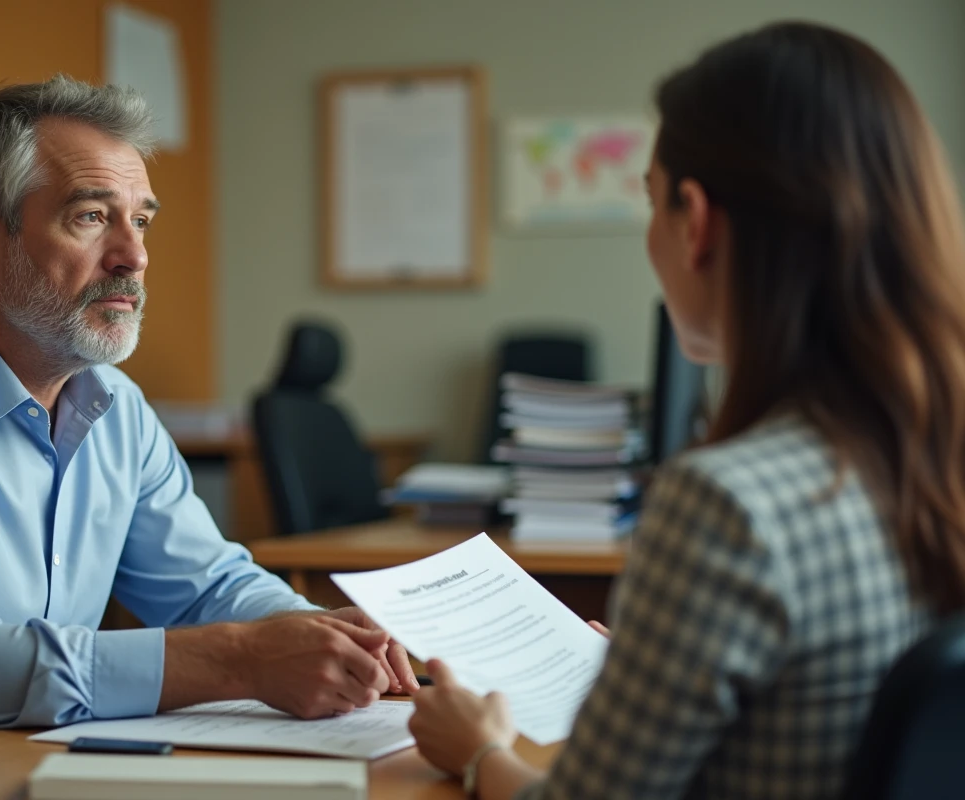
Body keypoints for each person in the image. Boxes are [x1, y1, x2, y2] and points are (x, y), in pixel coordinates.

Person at [0, 76, 417, 777]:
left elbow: (207, 587)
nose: (133, 257)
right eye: (90, 216)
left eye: (140, 220)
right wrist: (241, 658)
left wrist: (332, 637)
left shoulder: (114, 405)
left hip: (34, 768)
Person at [408, 21, 965, 800]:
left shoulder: (729, 505)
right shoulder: (930, 459)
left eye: (650, 201)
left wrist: (478, 750)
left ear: (695, 221)